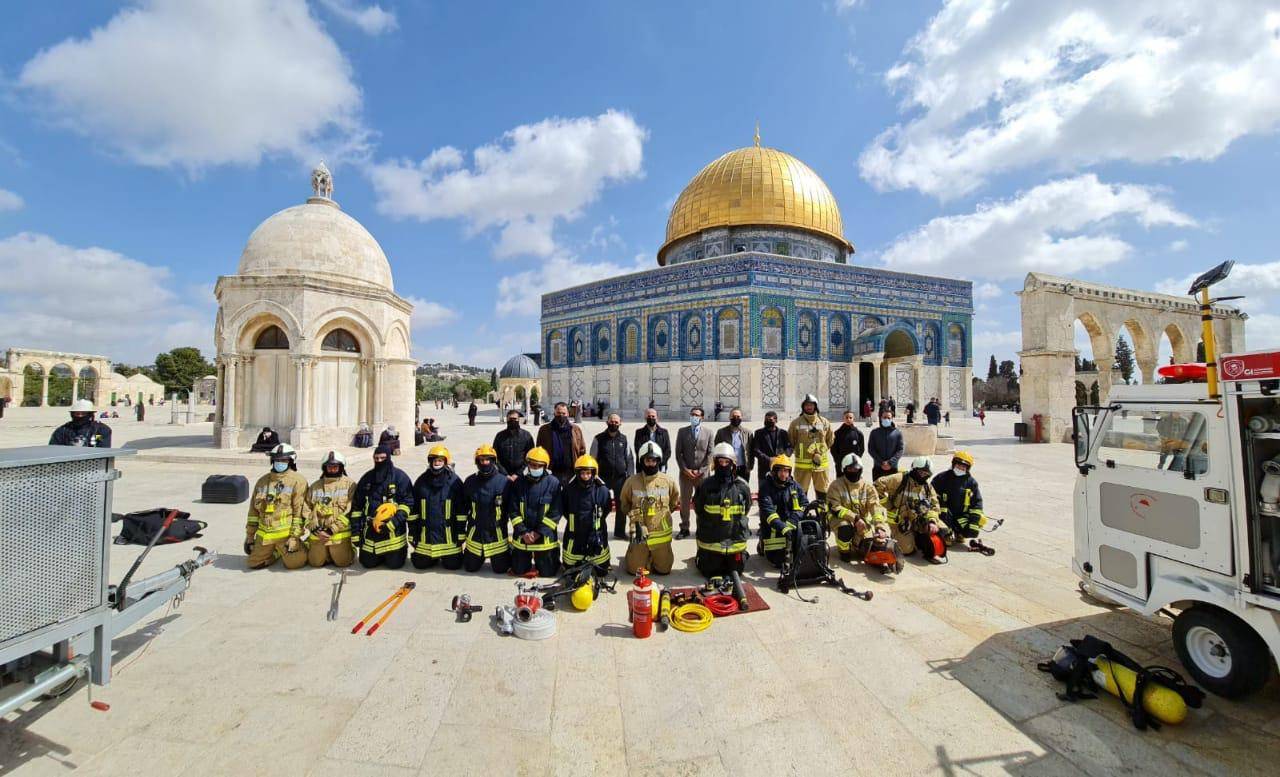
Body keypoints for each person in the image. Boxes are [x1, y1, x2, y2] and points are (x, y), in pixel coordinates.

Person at [693, 442, 753, 579]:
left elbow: (747, 508)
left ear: (733, 464)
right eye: (720, 461)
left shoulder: (742, 486)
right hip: (711, 544)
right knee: (709, 572)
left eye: (727, 462)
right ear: (715, 463)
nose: (723, 465)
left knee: (736, 572)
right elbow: (698, 509)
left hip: (734, 545)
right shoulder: (705, 485)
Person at [245, 444, 309, 570]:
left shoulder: (298, 481)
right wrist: (250, 536)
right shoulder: (262, 481)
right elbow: (253, 512)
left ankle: (304, 545)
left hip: (285, 536)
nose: (280, 463)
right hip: (265, 536)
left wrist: (294, 538)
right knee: (253, 564)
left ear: (290, 461)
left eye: (284, 460)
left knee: (294, 563)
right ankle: (275, 553)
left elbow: (299, 513)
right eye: (277, 460)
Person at [875, 456, 949, 563]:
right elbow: (877, 486)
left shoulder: (927, 488)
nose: (923, 475)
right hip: (900, 521)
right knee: (906, 550)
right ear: (914, 469)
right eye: (920, 472)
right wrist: (889, 505)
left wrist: (932, 521)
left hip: (919, 519)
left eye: (926, 474)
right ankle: (909, 538)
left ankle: (918, 537)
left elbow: (934, 506)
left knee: (944, 532)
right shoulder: (900, 479)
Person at [620, 442, 680, 575]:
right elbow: (625, 505)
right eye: (647, 460)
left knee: (664, 570)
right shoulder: (631, 482)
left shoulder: (668, 482)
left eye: (654, 460)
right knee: (634, 570)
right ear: (642, 461)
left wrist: (660, 515)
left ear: (658, 461)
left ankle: (655, 558)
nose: (651, 464)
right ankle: (636, 554)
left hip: (661, 537)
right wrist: (635, 520)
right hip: (640, 535)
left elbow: (674, 502)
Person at [351, 443, 413, 569]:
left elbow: (408, 503)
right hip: (370, 536)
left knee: (394, 565)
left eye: (382, 458)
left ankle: (396, 553)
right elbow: (357, 508)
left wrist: (393, 522)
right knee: (367, 563)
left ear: (389, 458)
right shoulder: (366, 479)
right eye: (376, 458)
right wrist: (356, 534)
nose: (379, 461)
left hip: (393, 535)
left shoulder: (400, 477)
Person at [504, 446, 562, 577]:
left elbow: (556, 513)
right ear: (527, 465)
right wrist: (523, 532)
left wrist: (537, 533)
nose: (535, 468)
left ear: (545, 466)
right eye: (532, 465)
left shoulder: (554, 483)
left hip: (544, 539)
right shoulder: (519, 483)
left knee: (549, 573)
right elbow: (513, 510)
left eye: (538, 466)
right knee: (519, 570)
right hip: (522, 538)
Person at [409, 445, 466, 569]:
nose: (437, 463)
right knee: (419, 565)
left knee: (453, 566)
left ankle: (446, 557)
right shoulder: (421, 481)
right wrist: (412, 533)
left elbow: (461, 512)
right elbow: (413, 511)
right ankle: (431, 557)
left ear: (445, 462)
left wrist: (461, 534)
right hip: (426, 540)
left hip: (449, 539)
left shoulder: (455, 482)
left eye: (440, 460)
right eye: (434, 460)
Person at [826, 455, 892, 562]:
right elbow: (835, 507)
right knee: (845, 529)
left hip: (862, 522)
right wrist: (855, 518)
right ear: (844, 469)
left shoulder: (868, 487)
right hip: (841, 520)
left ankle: (857, 543)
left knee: (868, 546)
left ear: (860, 469)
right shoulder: (836, 485)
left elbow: (875, 507)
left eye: (856, 468)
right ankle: (844, 551)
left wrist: (880, 527)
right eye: (850, 469)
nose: (853, 471)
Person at [931, 450, 998, 549]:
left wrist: (973, 524)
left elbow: (977, 503)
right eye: (958, 465)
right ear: (953, 464)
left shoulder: (971, 483)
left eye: (964, 466)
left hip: (961, 515)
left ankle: (960, 533)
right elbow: (931, 494)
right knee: (942, 516)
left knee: (981, 519)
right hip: (944, 513)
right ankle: (946, 534)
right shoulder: (941, 478)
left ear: (967, 468)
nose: (960, 468)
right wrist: (941, 506)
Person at [461, 444, 512, 574]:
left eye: (487, 459)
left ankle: (507, 550)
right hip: (475, 532)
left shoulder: (504, 482)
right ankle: (475, 554)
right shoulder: (470, 481)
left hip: (497, 534)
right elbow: (463, 509)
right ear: (477, 462)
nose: (484, 463)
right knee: (470, 568)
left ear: (493, 461)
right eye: (481, 460)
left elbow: (512, 509)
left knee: (500, 569)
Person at [559, 454, 612, 576]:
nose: (585, 476)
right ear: (577, 473)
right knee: (570, 571)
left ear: (594, 473)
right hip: (574, 535)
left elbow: (607, 509)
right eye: (582, 473)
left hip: (597, 535)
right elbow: (565, 509)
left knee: (602, 572)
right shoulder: (569, 489)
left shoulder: (602, 490)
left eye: (588, 473)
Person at [304, 451, 356, 568]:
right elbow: (306, 508)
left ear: (341, 467)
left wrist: (331, 530)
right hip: (318, 535)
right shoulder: (315, 486)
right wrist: (313, 528)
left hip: (339, 535)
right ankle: (311, 544)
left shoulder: (350, 485)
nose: (332, 469)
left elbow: (350, 510)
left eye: (335, 466)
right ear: (324, 468)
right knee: (315, 563)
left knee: (343, 563)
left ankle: (350, 548)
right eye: (329, 466)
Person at [757, 455, 808, 567]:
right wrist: (783, 527)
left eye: (786, 471)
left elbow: (805, 504)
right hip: (773, 531)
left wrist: (794, 519)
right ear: (774, 471)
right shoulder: (765, 488)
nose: (783, 474)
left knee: (800, 558)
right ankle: (762, 542)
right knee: (778, 562)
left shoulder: (794, 486)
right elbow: (768, 512)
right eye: (780, 470)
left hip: (792, 525)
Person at [590, 412, 635, 539]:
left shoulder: (624, 439)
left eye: (616, 422)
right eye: (611, 421)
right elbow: (592, 458)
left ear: (620, 423)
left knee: (621, 507)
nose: (614, 424)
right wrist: (594, 476)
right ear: (607, 422)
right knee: (600, 505)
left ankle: (619, 532)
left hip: (620, 478)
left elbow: (630, 458)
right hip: (602, 478)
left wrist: (630, 475)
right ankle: (598, 529)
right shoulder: (598, 438)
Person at [674, 406, 714, 539]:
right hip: (686, 474)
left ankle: (701, 527)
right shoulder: (682, 431)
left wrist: (701, 470)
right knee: (685, 502)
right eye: (692, 414)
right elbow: (678, 453)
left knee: (702, 502)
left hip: (702, 475)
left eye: (697, 415)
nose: (694, 417)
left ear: (702, 417)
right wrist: (685, 470)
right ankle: (684, 528)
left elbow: (710, 454)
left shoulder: (708, 432)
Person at [788, 394, 834, 501]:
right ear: (803, 407)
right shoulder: (796, 423)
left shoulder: (824, 422)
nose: (809, 407)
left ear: (815, 406)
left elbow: (830, 440)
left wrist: (820, 452)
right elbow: (791, 440)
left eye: (811, 405)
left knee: (822, 491)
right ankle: (801, 514)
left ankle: (821, 514)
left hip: (821, 465)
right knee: (800, 492)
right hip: (802, 466)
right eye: (806, 405)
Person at [536, 402, 586, 481]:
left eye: (563, 413)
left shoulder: (575, 429)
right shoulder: (544, 430)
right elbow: (539, 450)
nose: (561, 415)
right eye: (558, 413)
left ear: (568, 414)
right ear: (554, 413)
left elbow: (582, 450)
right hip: (551, 471)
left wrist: (580, 469)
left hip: (571, 472)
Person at [751, 411, 793, 488]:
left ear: (776, 421)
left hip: (781, 468)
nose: (768, 422)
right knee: (764, 491)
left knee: (781, 490)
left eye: (770, 420)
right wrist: (769, 459)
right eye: (766, 420)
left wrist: (780, 459)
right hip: (764, 468)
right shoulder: (759, 433)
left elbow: (789, 448)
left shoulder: (783, 433)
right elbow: (756, 450)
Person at [712, 407, 754, 483]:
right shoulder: (721, 432)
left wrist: (750, 466)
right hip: (726, 467)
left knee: (742, 489)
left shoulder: (748, 433)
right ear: (729, 417)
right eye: (733, 416)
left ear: (742, 417)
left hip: (743, 468)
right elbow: (716, 449)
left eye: (738, 416)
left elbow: (751, 451)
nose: (736, 418)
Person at [494, 408, 535, 480]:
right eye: (510, 419)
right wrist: (504, 473)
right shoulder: (500, 436)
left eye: (515, 419)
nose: (513, 421)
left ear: (519, 420)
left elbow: (531, 456)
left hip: (522, 476)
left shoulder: (526, 435)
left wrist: (518, 473)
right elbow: (495, 456)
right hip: (503, 476)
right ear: (507, 419)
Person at [868, 409, 904, 481]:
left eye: (888, 418)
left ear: (892, 419)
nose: (886, 419)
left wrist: (890, 463)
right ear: (881, 418)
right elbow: (871, 449)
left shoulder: (897, 433)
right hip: (878, 467)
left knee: (892, 491)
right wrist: (881, 462)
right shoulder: (875, 432)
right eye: (884, 417)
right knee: (877, 490)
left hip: (892, 468)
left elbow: (900, 450)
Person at [633, 407, 672, 473]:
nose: (651, 418)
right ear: (645, 418)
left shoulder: (664, 432)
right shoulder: (639, 432)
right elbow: (638, 449)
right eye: (649, 416)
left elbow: (667, 450)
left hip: (660, 466)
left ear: (657, 418)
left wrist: (658, 462)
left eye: (653, 416)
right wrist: (648, 462)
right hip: (644, 467)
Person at [831, 410, 865, 475]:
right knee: (841, 482)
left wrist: (857, 460)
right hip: (841, 463)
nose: (848, 419)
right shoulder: (837, 433)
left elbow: (861, 449)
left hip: (854, 464)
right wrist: (838, 461)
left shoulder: (858, 433)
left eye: (850, 418)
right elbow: (833, 450)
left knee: (854, 482)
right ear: (843, 419)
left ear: (853, 419)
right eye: (846, 417)